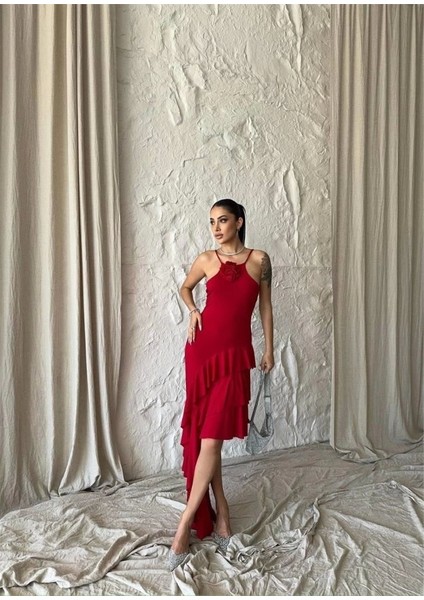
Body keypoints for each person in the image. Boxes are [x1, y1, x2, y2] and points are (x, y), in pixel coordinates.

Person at [169, 198, 274, 570]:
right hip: (201, 352)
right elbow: (185, 288)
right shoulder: (206, 259)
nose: (216, 228)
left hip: (235, 358)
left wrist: (269, 348)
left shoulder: (260, 260)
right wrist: (193, 310)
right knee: (205, 437)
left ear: (239, 222)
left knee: (211, 438)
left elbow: (265, 306)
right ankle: (219, 513)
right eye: (212, 221)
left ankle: (186, 525)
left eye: (223, 220)